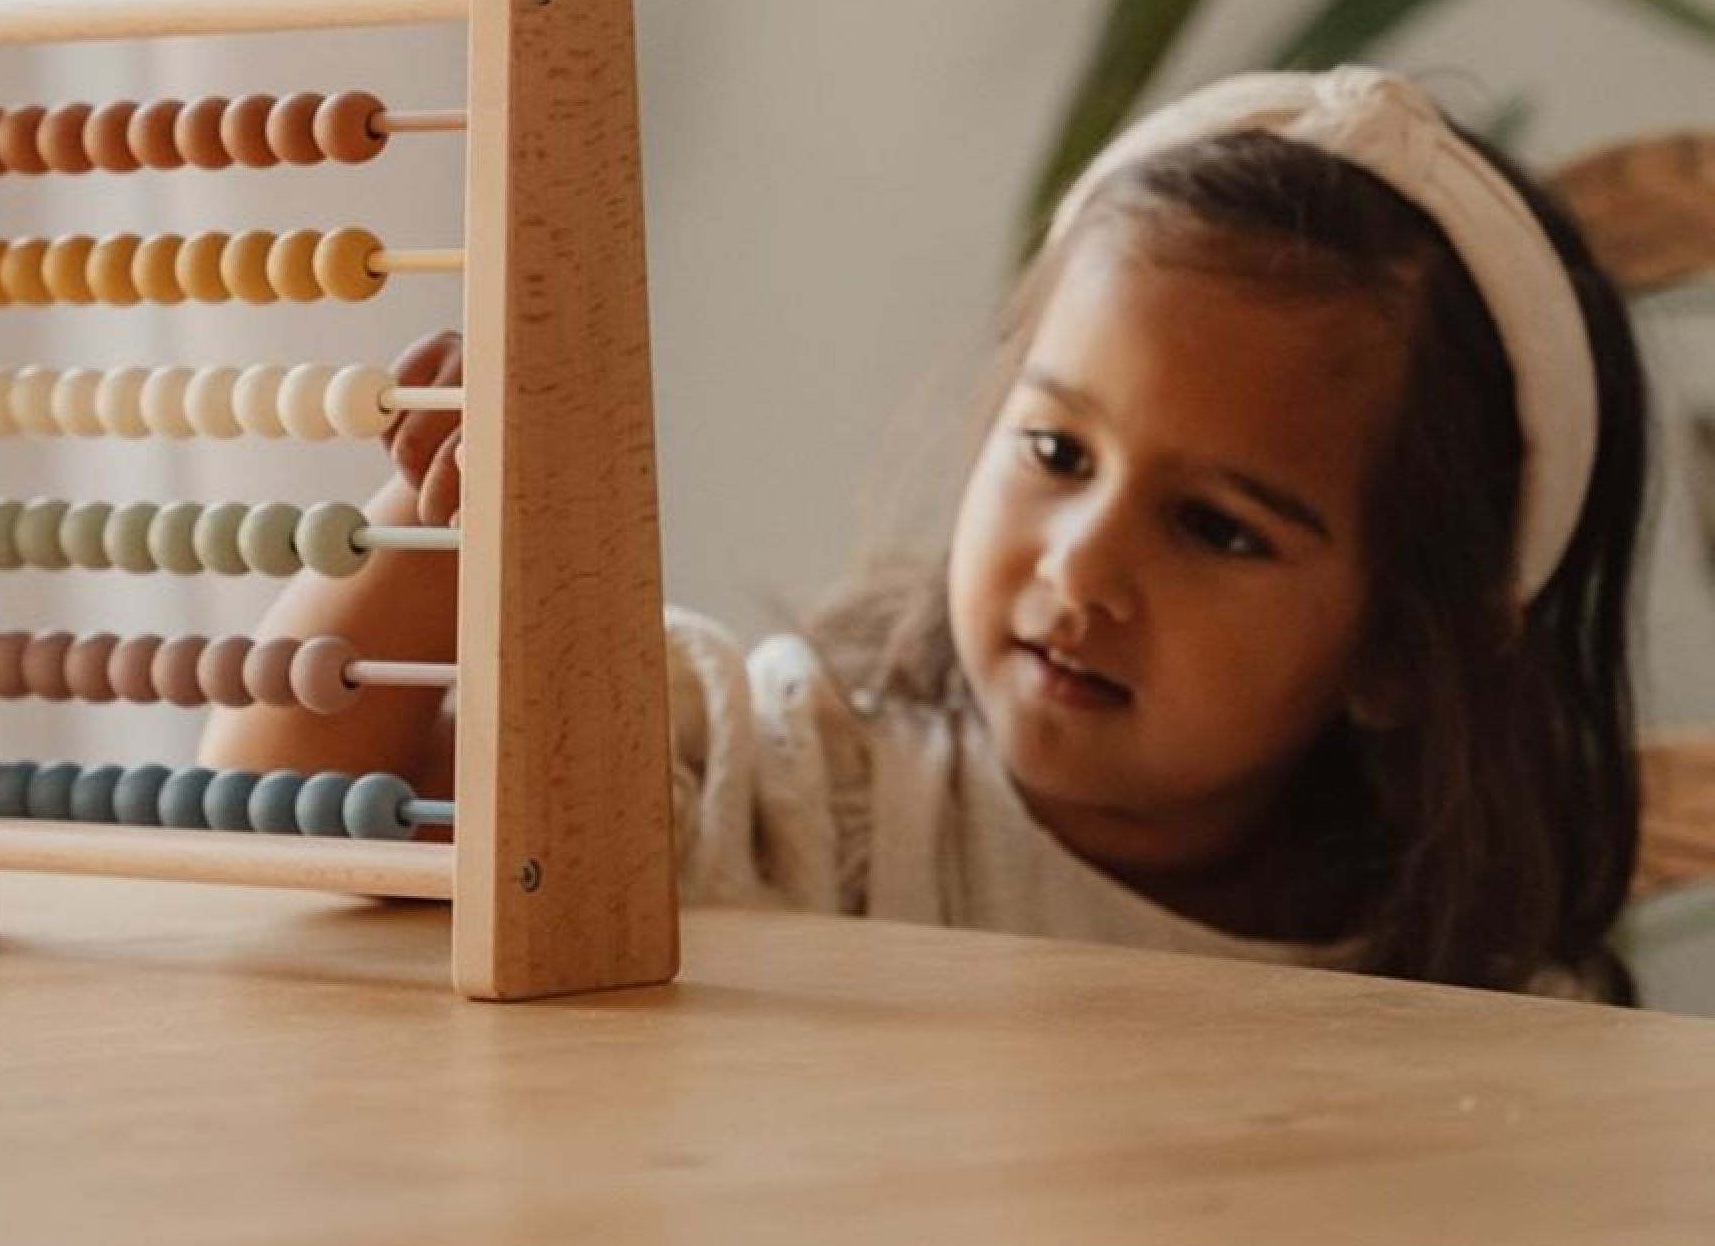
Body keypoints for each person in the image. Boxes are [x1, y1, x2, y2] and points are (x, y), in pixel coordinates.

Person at [203, 67, 1649, 1001]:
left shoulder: (1482, 1005)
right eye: (1055, 450)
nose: (1081, 565)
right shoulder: (789, 790)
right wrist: (428, 526)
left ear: (1404, 645)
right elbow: (296, 811)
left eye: (1216, 527)